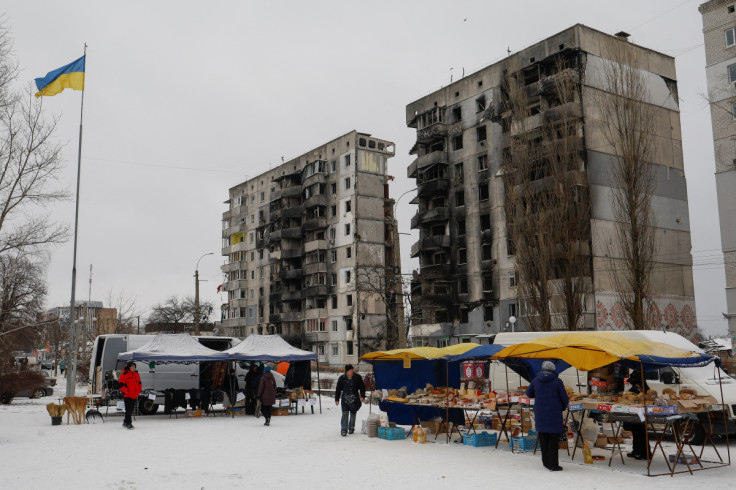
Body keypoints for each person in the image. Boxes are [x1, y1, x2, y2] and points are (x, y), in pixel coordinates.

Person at [526, 360, 569, 471]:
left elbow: (529, 393)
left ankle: (546, 463)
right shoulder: (557, 381)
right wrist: (561, 407)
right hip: (554, 414)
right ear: (553, 369)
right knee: (553, 441)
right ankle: (553, 465)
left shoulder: (536, 380)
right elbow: (565, 398)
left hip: (540, 414)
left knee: (543, 439)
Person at [624, 368, 650, 460]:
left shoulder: (638, 387)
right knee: (637, 431)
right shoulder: (644, 386)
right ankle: (637, 451)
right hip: (638, 412)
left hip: (639, 412)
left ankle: (644, 453)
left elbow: (630, 396)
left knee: (640, 432)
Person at [335, 364, 365, 437]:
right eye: (350, 370)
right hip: (345, 398)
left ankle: (351, 428)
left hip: (355, 398)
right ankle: (343, 429)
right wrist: (337, 399)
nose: (352, 371)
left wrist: (362, 396)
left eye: (352, 370)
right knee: (345, 413)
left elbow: (362, 387)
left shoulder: (357, 377)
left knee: (353, 413)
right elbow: (338, 389)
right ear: (347, 371)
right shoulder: (342, 378)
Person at [118, 361, 142, 430]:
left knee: (131, 410)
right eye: (132, 366)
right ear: (129, 367)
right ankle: (129, 423)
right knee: (128, 410)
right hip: (127, 395)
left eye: (134, 366)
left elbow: (139, 383)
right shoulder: (124, 375)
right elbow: (121, 385)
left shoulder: (136, 374)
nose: (133, 368)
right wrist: (127, 391)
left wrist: (138, 391)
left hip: (134, 395)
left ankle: (125, 422)